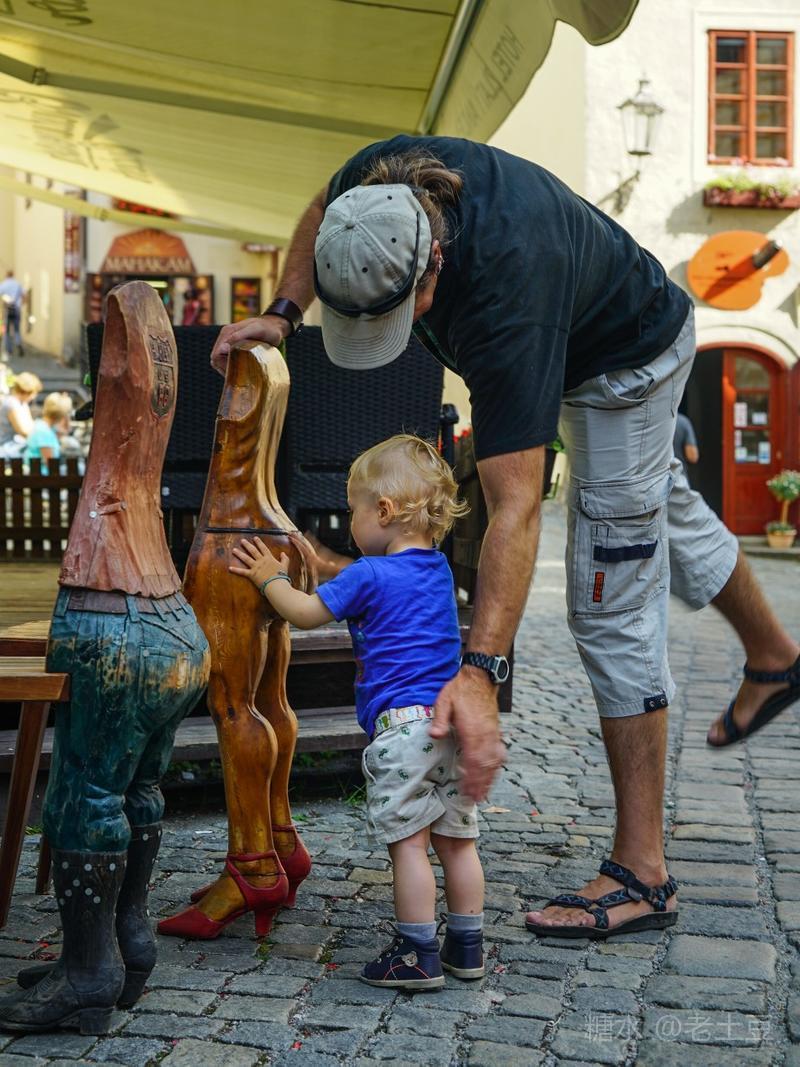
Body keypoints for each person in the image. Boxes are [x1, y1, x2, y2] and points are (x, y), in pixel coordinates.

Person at [210, 135, 800, 939]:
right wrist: (284, 311)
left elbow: (514, 506)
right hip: (580, 327)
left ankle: (644, 872)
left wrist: (481, 673)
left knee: (611, 591)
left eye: (403, 308)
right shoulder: (369, 189)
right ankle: (775, 657)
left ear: (434, 264)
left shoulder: (506, 296)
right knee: (662, 507)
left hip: (626, 365)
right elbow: (320, 208)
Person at [230, 434, 486, 990]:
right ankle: (467, 946)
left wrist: (269, 578)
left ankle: (417, 953)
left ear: (384, 511)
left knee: (410, 844)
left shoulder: (368, 575)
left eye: (354, 510)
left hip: (404, 732)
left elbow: (304, 613)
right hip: (452, 725)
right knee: (456, 841)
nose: (351, 522)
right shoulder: (438, 570)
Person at [24, 392, 73, 472]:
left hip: (40, 474)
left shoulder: (43, 426)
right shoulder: (43, 432)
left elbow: (66, 430)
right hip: (43, 475)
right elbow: (50, 464)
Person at [0, 371, 42, 458]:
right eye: (34, 393)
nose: (34, 397)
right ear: (26, 391)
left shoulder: (23, 403)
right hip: (6, 446)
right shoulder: (11, 403)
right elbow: (23, 431)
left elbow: (31, 425)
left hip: (16, 444)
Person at [0, 270, 25, 358]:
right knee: (17, 329)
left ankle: (9, 349)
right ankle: (18, 343)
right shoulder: (17, 284)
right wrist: (21, 304)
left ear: (6, 275)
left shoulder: (3, 284)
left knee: (6, 331)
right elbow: (24, 295)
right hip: (16, 309)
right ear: (13, 275)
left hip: (7, 310)